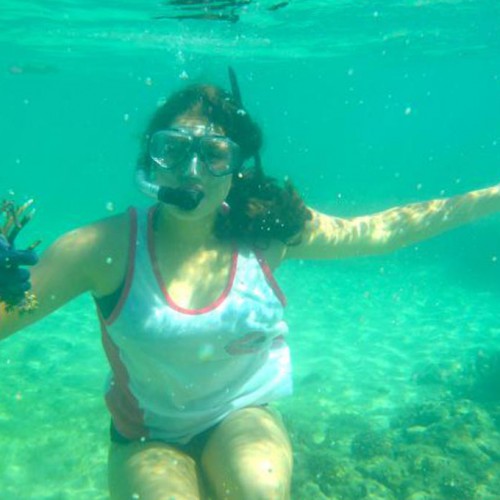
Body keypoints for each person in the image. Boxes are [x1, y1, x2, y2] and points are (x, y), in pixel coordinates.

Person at [0, 72, 499, 500]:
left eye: (213, 153)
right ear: (150, 159)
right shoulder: (99, 249)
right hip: (148, 434)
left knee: (257, 488)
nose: (190, 170)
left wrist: (489, 199)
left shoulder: (266, 235)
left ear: (236, 166)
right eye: (171, 149)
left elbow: (383, 230)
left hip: (240, 416)